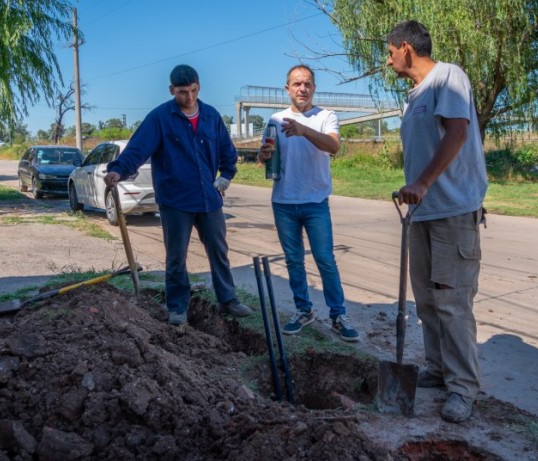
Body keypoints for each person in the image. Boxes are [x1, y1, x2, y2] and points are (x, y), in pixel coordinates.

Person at [386, 20, 488, 423]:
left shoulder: (449, 77)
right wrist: (412, 189)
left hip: (452, 212)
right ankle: (437, 369)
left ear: (406, 48)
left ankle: (463, 389)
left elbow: (458, 134)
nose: (388, 59)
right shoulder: (413, 96)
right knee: (427, 302)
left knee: (452, 303)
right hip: (422, 213)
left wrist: (424, 183)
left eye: (390, 51)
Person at [104, 64, 251, 326]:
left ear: (199, 87)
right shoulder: (160, 118)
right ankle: (177, 308)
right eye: (183, 92)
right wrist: (118, 171)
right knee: (175, 257)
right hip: (175, 201)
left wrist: (225, 177)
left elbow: (228, 153)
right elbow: (137, 149)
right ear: (172, 90)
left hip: (209, 199)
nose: (190, 97)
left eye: (194, 91)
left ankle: (228, 300)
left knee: (219, 251)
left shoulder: (211, 116)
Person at [258, 65, 359, 342]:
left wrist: (304, 130)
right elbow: (265, 159)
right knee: (293, 261)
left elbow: (334, 146)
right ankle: (303, 310)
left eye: (307, 84)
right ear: (287, 88)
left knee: (325, 259)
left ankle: (338, 315)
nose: (302, 89)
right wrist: (264, 154)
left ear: (314, 88)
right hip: (283, 202)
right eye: (297, 84)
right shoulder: (275, 119)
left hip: (315, 202)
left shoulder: (326, 116)